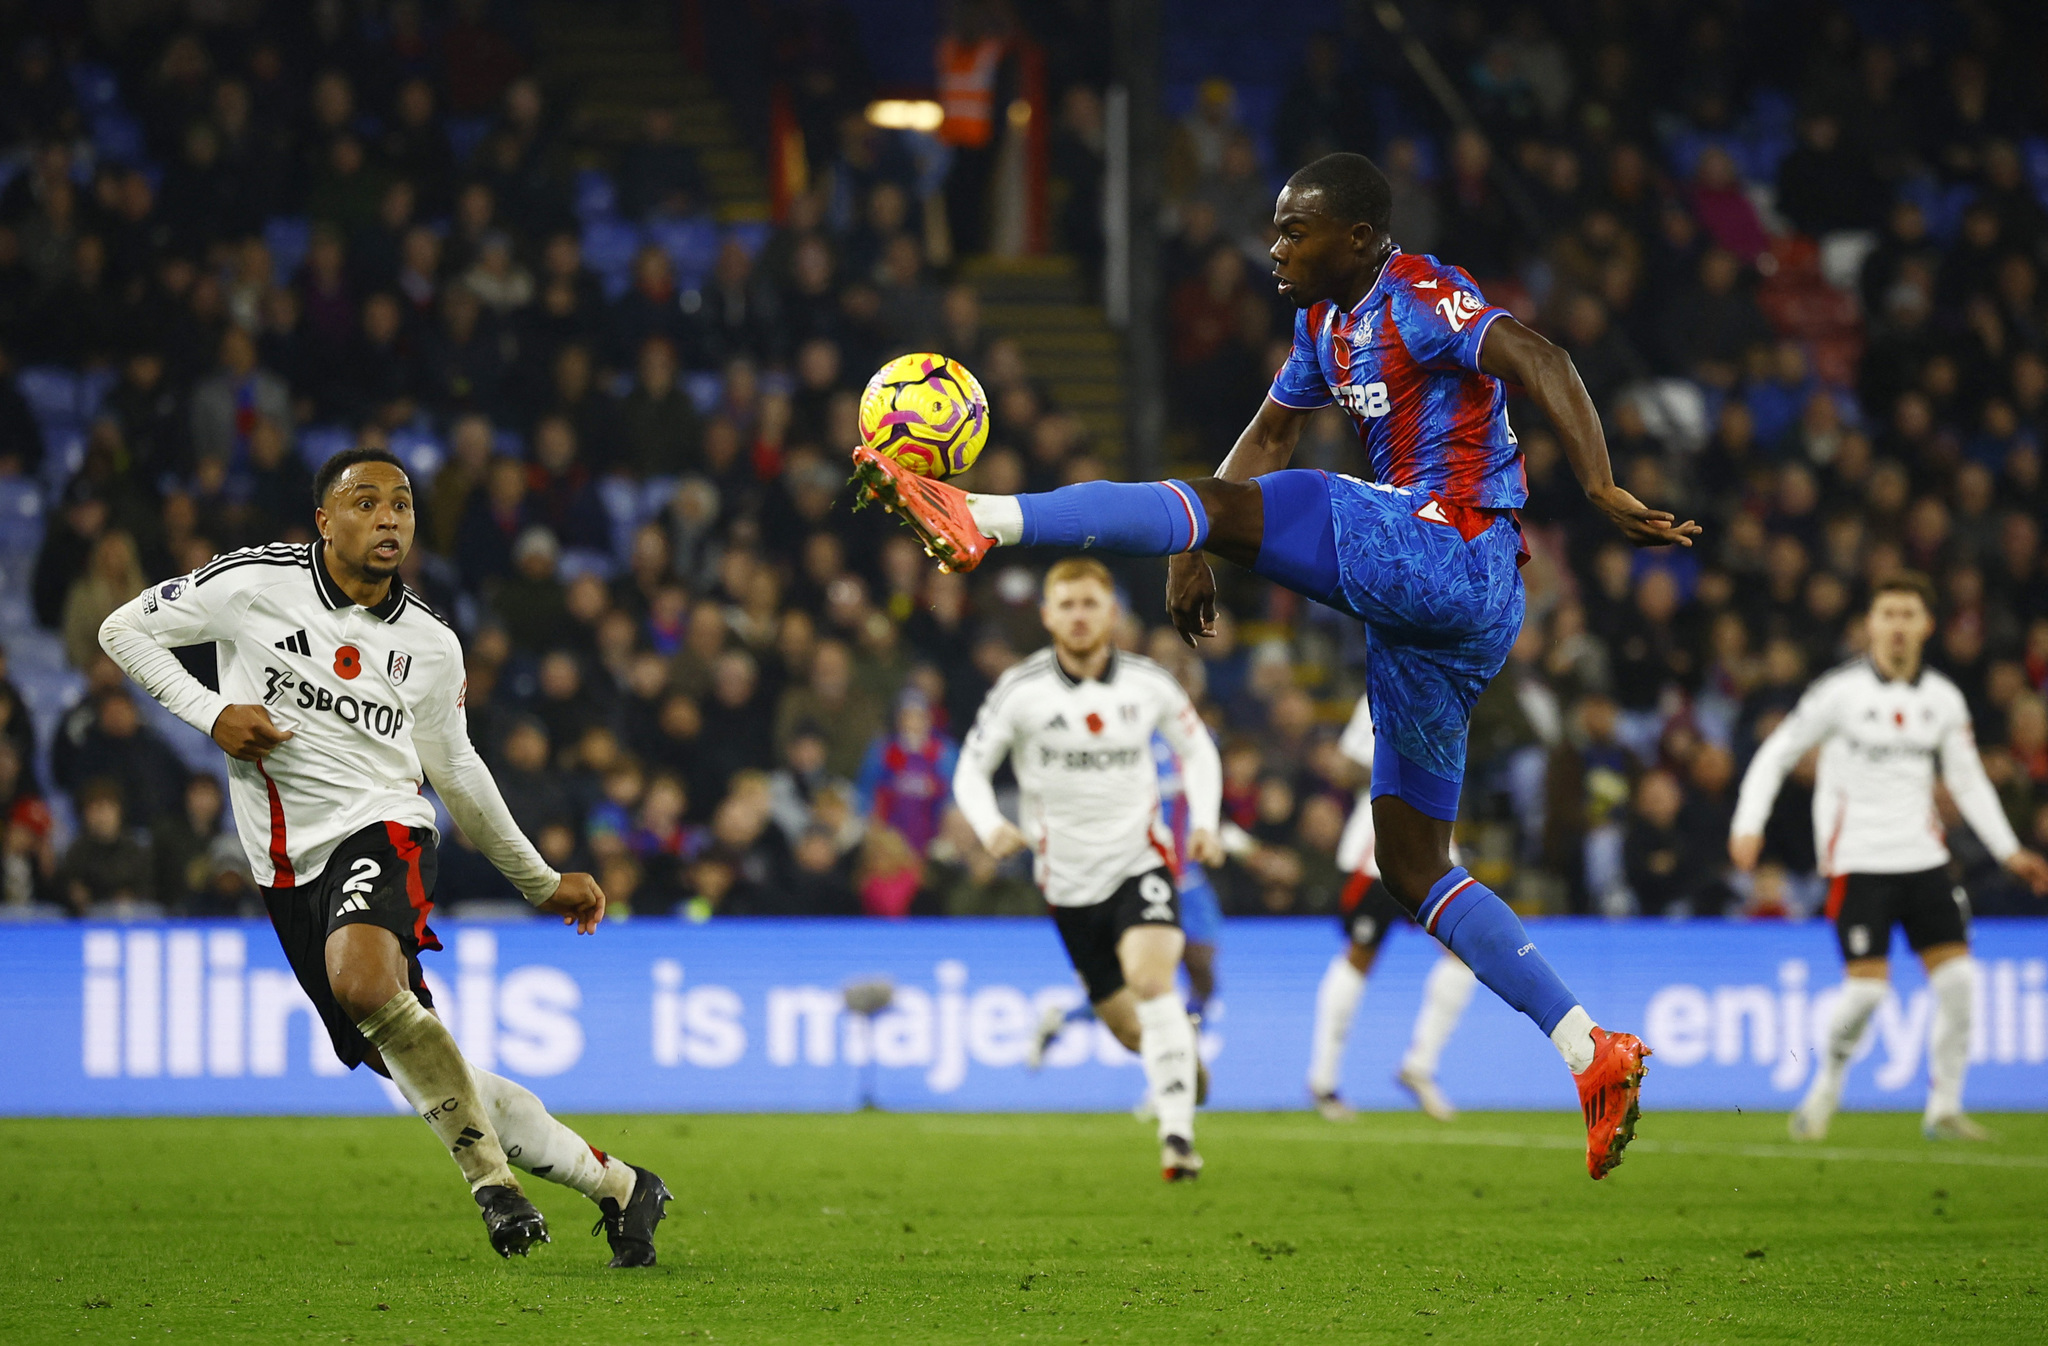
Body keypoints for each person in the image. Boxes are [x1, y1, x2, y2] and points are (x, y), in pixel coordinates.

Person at [856, 152, 1693, 1179]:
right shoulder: (1320, 327)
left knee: (1246, 497)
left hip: (1451, 543)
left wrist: (1600, 486)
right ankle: (1587, 1047)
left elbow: (1540, 355)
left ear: (1356, 235)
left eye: (1294, 229)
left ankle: (982, 516)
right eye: (1274, 227)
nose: (1274, 245)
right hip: (1442, 619)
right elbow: (1264, 428)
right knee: (1409, 860)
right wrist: (1192, 544)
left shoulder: (1418, 291)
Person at [98, 447, 671, 1264]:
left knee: (365, 983)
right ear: (325, 521)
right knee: (430, 1070)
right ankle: (620, 1187)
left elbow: (457, 770)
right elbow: (122, 629)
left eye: (401, 504)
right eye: (365, 502)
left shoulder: (432, 645)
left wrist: (538, 880)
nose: (389, 517)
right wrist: (212, 711)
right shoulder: (252, 584)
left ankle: (493, 1188)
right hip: (285, 867)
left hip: (386, 826)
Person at [1730, 572, 2048, 1142]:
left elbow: (1969, 781)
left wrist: (2009, 851)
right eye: (1887, 615)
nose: (1898, 626)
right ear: (1871, 625)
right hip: (1859, 861)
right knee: (1868, 991)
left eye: (1908, 615)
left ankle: (1944, 1109)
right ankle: (1824, 1088)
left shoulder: (1942, 701)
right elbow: (1778, 752)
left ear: (1926, 626)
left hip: (1924, 860)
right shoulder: (1839, 693)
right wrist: (1748, 824)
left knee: (1959, 984)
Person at [951, 558, 1223, 1181]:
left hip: (1141, 861)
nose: (1078, 616)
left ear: (1111, 615)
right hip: (1068, 885)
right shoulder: (1021, 692)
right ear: (1047, 615)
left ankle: (1177, 1139)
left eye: (1089, 604)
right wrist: (992, 825)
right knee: (1135, 1032)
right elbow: (970, 769)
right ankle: (1177, 1043)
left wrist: (1204, 823)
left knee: (1154, 980)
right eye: (1066, 605)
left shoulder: (1149, 685)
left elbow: (1197, 751)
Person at [1306, 693, 1477, 1123]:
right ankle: (1323, 1079)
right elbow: (1345, 766)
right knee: (1360, 957)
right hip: (1379, 850)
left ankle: (1419, 1067)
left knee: (1466, 954)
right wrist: (1400, 773)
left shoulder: (1451, 689)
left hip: (1434, 846)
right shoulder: (1383, 691)